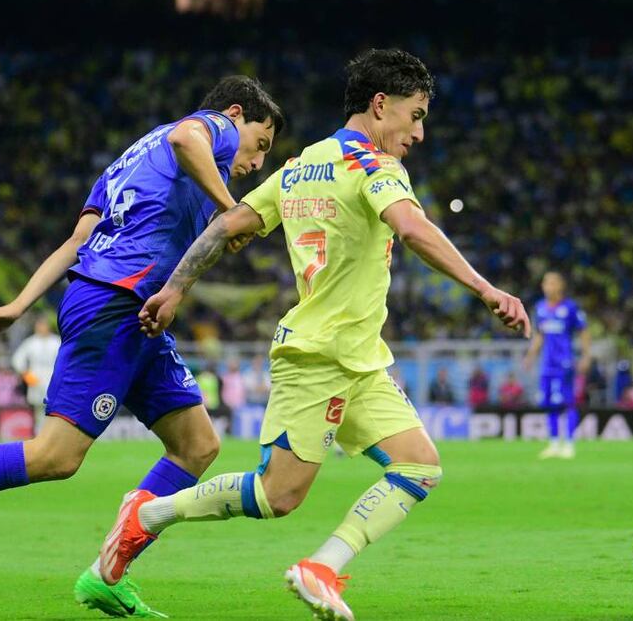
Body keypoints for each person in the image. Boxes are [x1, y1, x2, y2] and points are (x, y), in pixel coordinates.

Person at [105, 48, 530, 620]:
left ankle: (322, 567)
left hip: (360, 360)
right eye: (417, 113)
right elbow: (412, 227)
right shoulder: (373, 166)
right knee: (275, 496)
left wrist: (178, 286)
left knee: (419, 464)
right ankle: (145, 516)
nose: (420, 131)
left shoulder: (302, 164)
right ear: (381, 106)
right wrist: (487, 290)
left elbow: (229, 223)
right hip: (317, 357)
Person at [0, 76, 283, 617]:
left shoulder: (126, 162)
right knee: (56, 456)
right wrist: (231, 209)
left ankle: (108, 573)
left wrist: (20, 303)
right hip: (115, 304)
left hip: (134, 309)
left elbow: (78, 243)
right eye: (261, 144)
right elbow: (188, 140)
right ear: (234, 113)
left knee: (197, 444)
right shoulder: (211, 131)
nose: (257, 163)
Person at [523, 271, 591, 459]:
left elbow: (584, 331)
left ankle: (569, 444)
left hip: (565, 362)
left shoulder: (570, 307)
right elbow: (539, 335)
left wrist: (586, 356)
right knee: (549, 404)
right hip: (547, 363)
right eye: (545, 283)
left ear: (560, 286)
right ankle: (553, 444)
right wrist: (530, 356)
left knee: (567, 402)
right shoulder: (540, 308)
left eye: (552, 283)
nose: (547, 287)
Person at [10, 314, 62, 432]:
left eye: (44, 325)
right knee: (38, 411)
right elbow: (17, 359)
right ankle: (38, 436)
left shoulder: (56, 341)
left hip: (53, 378)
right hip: (35, 378)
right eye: (39, 325)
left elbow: (65, 359)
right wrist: (25, 374)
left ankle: (52, 437)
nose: (41, 327)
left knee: (54, 411)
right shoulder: (30, 342)